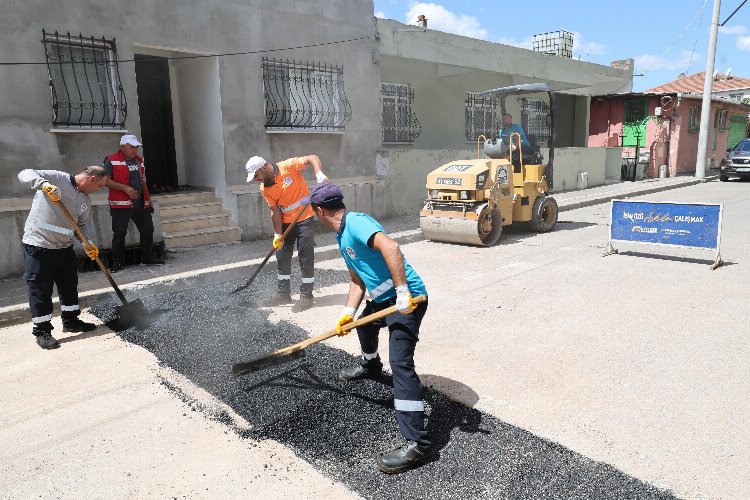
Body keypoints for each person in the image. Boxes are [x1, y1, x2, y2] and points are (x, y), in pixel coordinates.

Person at [304, 182, 433, 474]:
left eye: (314, 213)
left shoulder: (357, 223)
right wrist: (348, 313)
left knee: (400, 364)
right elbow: (357, 280)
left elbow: (391, 247)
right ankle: (370, 366)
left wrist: (402, 291)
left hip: (408, 300)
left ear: (321, 211)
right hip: (382, 300)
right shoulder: (341, 236)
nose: (314, 216)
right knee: (365, 328)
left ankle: (419, 445)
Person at [18, 166, 109, 349]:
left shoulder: (85, 199)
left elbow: (80, 225)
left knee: (69, 286)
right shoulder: (57, 178)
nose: (100, 189)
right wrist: (43, 185)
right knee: (40, 289)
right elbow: (24, 173)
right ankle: (42, 331)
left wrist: (87, 243)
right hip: (39, 245)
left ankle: (71, 321)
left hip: (64, 247)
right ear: (91, 179)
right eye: (100, 185)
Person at [245, 155, 328, 312]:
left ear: (263, 168)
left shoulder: (288, 166)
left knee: (305, 255)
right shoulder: (264, 188)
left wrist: (319, 174)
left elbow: (313, 158)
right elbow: (274, 210)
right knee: (282, 256)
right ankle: (283, 294)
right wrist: (277, 234)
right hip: (285, 222)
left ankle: (306, 296)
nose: (257, 179)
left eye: (256, 175)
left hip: (305, 218)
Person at [103, 134, 163, 273]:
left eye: (136, 147)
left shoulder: (139, 160)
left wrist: (149, 201)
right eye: (131, 147)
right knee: (119, 234)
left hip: (141, 204)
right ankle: (118, 263)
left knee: (148, 230)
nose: (134, 149)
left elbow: (143, 182)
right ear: (122, 147)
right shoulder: (111, 160)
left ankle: (146, 259)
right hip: (120, 205)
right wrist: (125, 188)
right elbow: (105, 181)